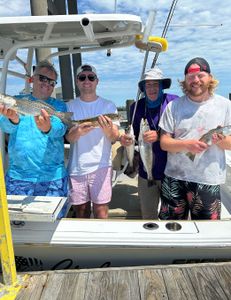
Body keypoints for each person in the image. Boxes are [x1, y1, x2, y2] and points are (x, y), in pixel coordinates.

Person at [158, 57, 231, 220]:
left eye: (200, 75)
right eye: (190, 77)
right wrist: (187, 145)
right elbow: (164, 143)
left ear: (210, 77)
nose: (195, 80)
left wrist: (219, 140)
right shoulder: (174, 106)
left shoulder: (225, 106)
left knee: (207, 231)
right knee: (171, 229)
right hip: (174, 178)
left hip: (208, 180)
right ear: (185, 80)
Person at [0, 60, 68, 208]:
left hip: (52, 178)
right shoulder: (17, 101)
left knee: (52, 224)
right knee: (18, 225)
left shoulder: (59, 106)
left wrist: (48, 127)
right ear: (32, 79)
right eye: (43, 78)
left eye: (52, 82)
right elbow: (5, 127)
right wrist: (12, 119)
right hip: (18, 177)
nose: (47, 83)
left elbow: (60, 129)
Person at [120, 67, 178, 219]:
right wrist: (127, 140)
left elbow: (183, 131)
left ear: (162, 86)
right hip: (146, 172)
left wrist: (159, 135)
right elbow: (132, 134)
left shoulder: (174, 102)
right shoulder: (136, 107)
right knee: (148, 215)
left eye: (155, 84)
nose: (152, 88)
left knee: (172, 217)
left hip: (171, 172)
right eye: (148, 85)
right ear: (144, 88)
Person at [66, 64, 119, 219]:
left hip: (101, 166)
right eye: (82, 77)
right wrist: (76, 133)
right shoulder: (69, 106)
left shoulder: (108, 106)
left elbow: (114, 137)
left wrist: (108, 129)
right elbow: (68, 138)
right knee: (80, 210)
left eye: (91, 77)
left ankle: (102, 242)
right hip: (77, 167)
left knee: (101, 210)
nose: (86, 80)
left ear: (97, 81)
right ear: (77, 81)